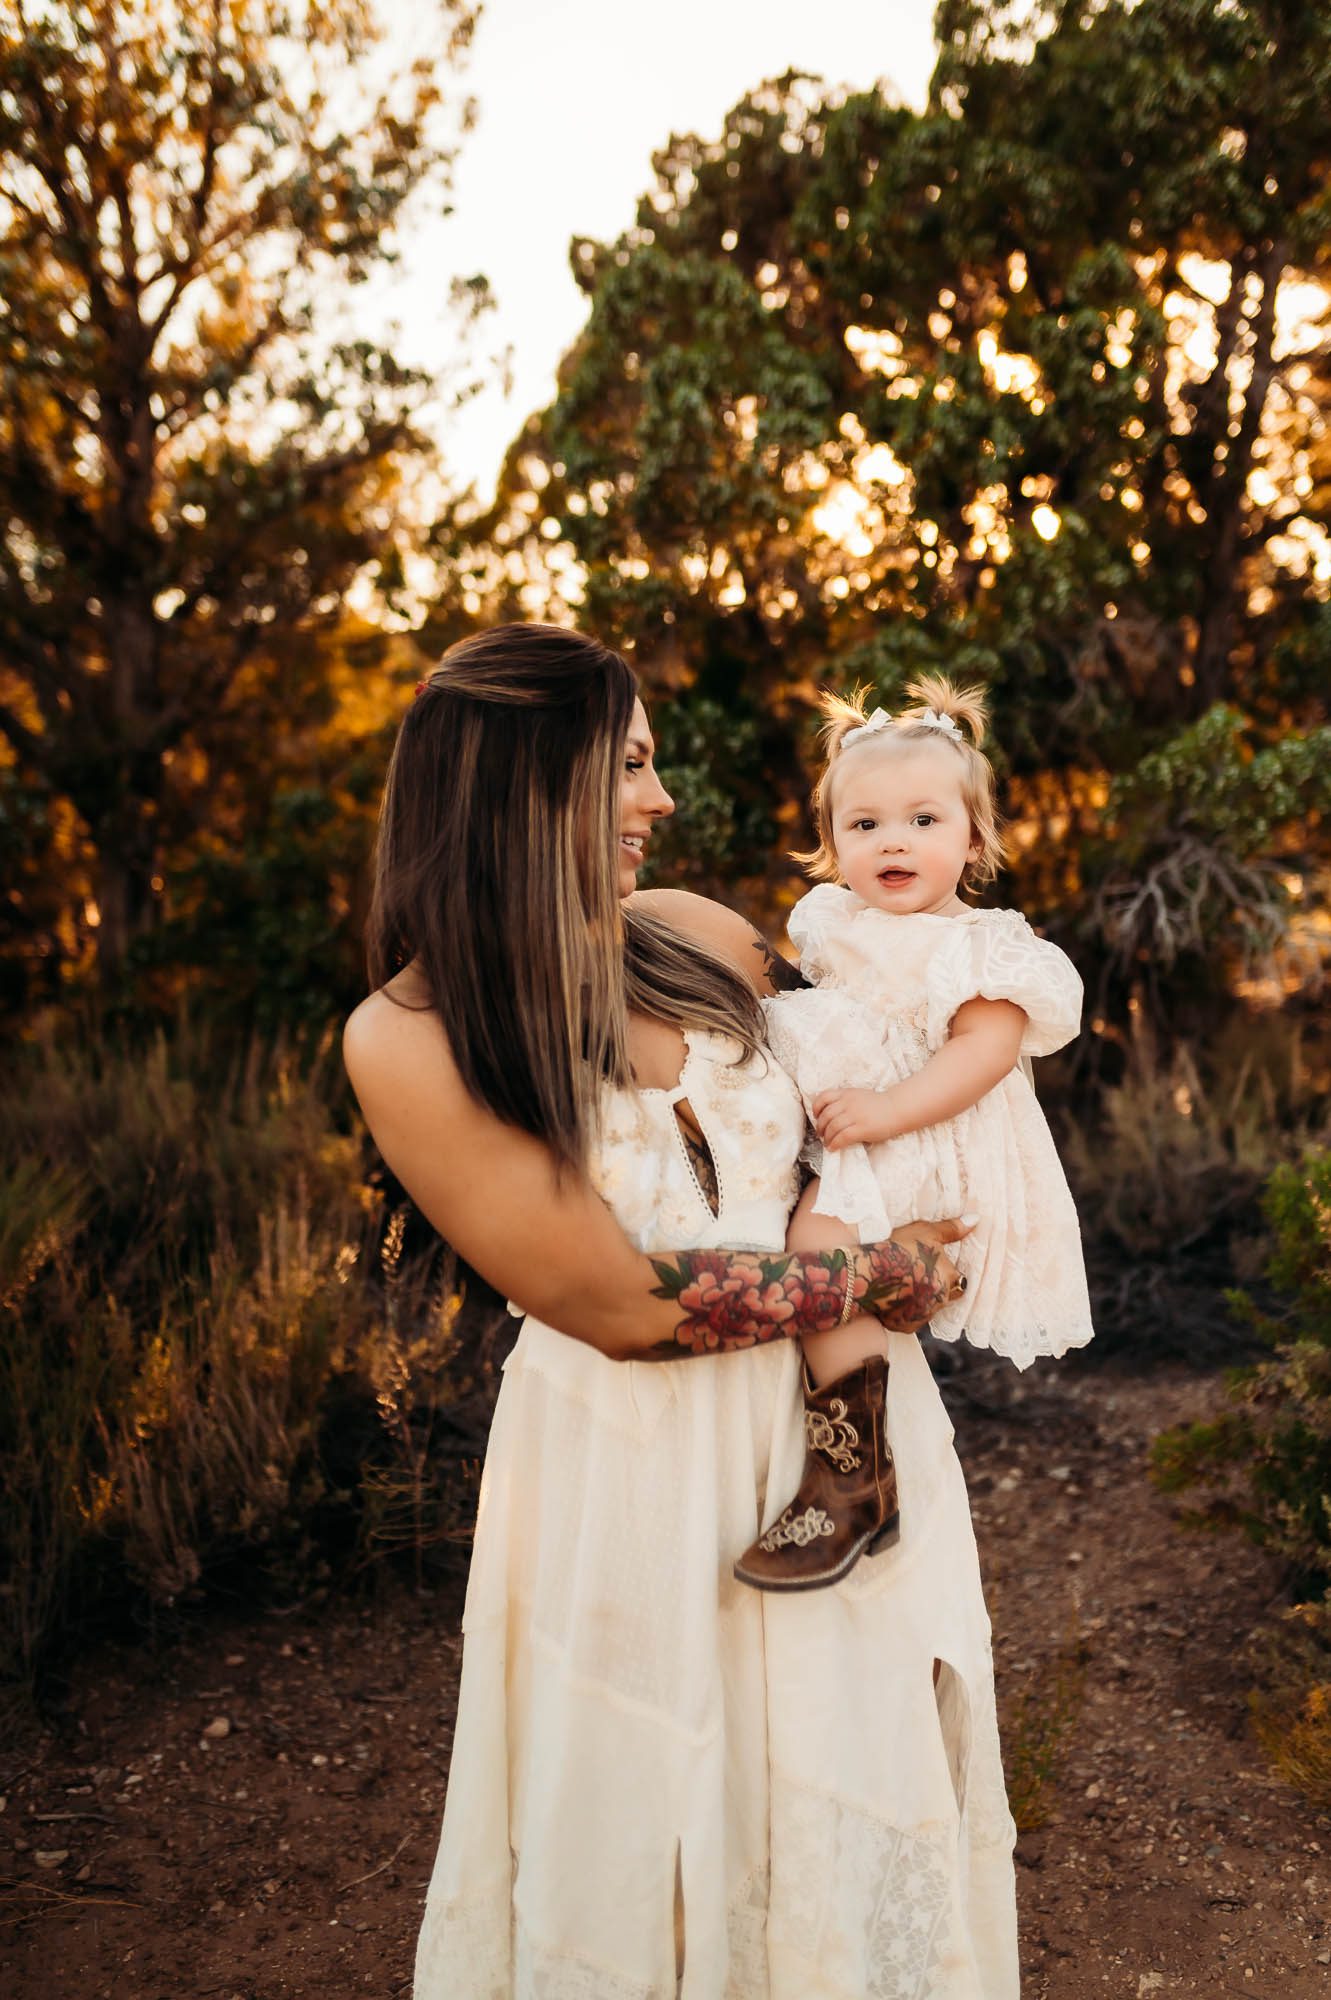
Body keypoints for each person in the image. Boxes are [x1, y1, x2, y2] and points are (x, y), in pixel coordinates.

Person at [343, 623, 1018, 2000]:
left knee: (848, 1773)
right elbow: (614, 1301)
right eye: (628, 766)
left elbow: (879, 1066)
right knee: (653, 1793)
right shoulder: (412, 1032)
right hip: (632, 1470)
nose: (658, 801)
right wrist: (864, 1278)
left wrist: (954, 1158)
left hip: (837, 1431)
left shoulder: (697, 938)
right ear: (526, 783)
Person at [734, 674, 1093, 1593]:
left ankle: (849, 1473)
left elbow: (982, 1052)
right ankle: (839, 1445)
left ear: (973, 839)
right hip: (863, 1136)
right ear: (832, 846)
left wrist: (885, 1112)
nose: (893, 840)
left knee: (816, 1248)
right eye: (864, 825)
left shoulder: (985, 945)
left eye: (924, 821)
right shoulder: (836, 926)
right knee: (797, 1241)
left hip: (931, 1142)